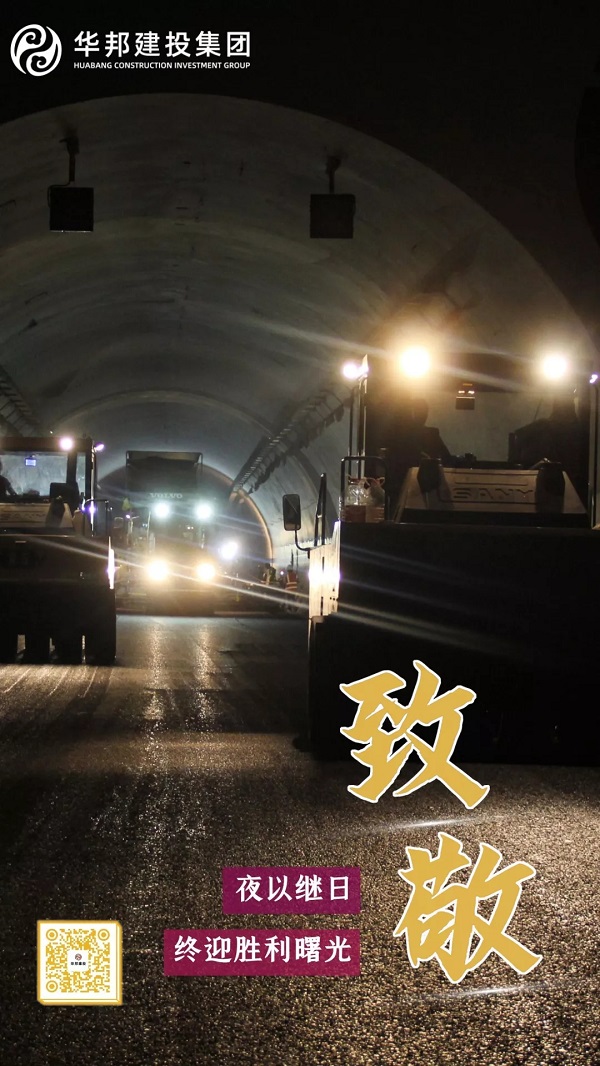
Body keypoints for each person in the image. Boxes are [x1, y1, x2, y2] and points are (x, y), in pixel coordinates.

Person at [511, 395, 588, 503]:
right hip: (544, 488)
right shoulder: (541, 428)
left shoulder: (580, 434)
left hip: (570, 490)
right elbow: (518, 437)